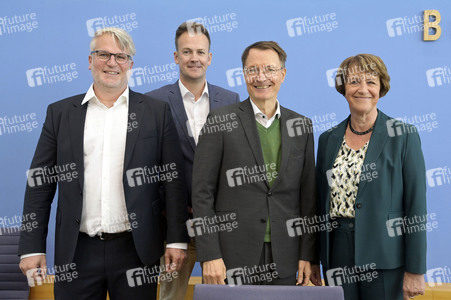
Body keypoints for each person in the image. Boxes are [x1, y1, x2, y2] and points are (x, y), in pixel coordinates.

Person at [18, 27, 188, 300]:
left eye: (120, 56)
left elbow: (173, 183)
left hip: (136, 250)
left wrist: (177, 239)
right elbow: (39, 184)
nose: (112, 63)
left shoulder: (156, 113)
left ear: (130, 64)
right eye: (103, 54)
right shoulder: (60, 114)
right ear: (90, 60)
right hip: (76, 251)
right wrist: (31, 247)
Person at [192, 41, 321, 286]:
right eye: (253, 70)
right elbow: (202, 194)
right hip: (231, 257)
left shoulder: (301, 126)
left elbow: (308, 197)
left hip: (286, 255)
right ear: (244, 74)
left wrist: (308, 254)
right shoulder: (220, 120)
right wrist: (210, 254)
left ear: (282, 74)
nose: (261, 77)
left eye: (270, 69)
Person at [316, 54, 427, 299]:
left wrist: (416, 270)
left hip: (386, 257)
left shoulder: (403, 135)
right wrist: (316, 260)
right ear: (343, 88)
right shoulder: (327, 139)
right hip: (338, 254)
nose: (363, 89)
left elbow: (416, 206)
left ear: (381, 88)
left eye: (371, 82)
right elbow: (319, 203)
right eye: (354, 81)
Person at [146, 22, 239, 299]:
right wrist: (168, 208)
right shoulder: (155, 102)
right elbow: (149, 165)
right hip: (172, 227)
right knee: (169, 296)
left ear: (210, 57)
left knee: (225, 295)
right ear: (176, 57)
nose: (194, 58)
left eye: (200, 52)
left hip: (220, 226)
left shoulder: (230, 100)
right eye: (187, 51)